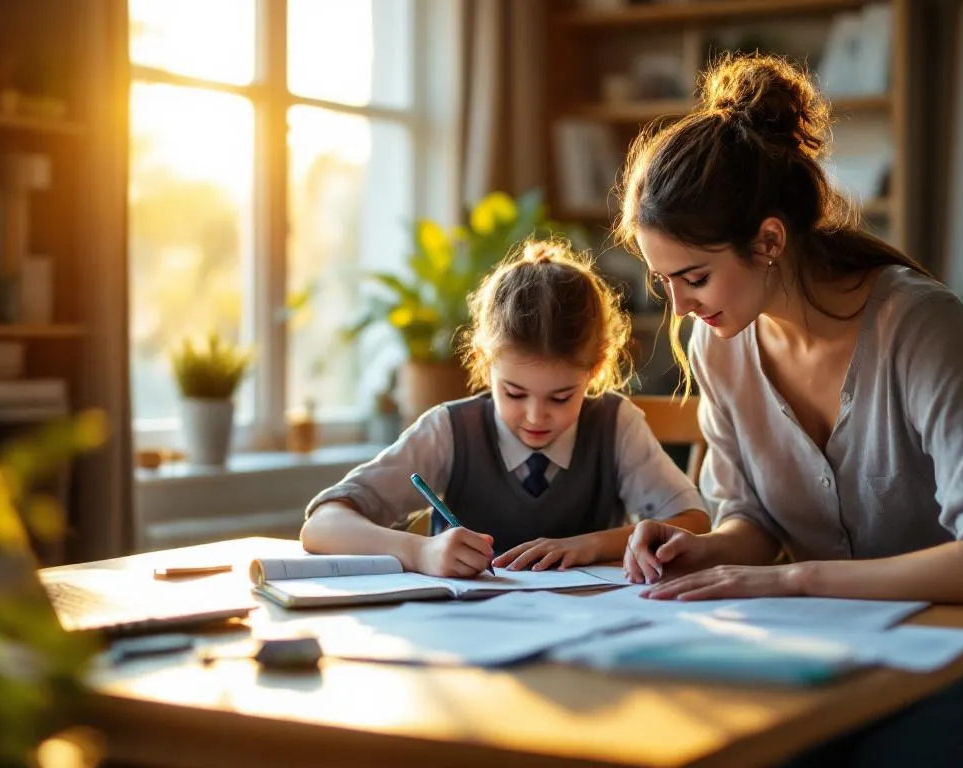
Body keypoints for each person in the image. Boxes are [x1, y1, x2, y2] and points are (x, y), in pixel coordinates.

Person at [615, 53, 963, 767]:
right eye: (665, 282)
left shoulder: (918, 324)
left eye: (695, 277)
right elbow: (752, 519)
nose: (680, 307)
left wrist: (796, 579)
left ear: (769, 241)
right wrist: (705, 551)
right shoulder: (719, 345)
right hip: (850, 651)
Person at [300, 239, 710, 578]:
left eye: (561, 397)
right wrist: (418, 551)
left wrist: (591, 545)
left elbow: (694, 522)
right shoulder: (450, 431)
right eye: (514, 393)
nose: (535, 416)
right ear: (484, 361)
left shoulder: (615, 426)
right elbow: (322, 525)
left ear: (597, 368)